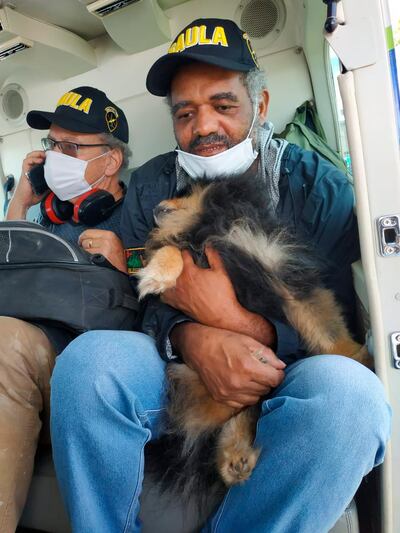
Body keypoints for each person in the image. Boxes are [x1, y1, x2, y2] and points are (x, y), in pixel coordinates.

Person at [50, 19, 391, 533]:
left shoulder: (315, 187)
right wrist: (189, 336)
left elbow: (337, 316)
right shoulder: (152, 186)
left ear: (261, 105)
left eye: (223, 105)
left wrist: (242, 325)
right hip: (169, 358)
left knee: (353, 402)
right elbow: (124, 291)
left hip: (291, 365)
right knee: (88, 366)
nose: (204, 127)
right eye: (186, 113)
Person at [0, 86, 131, 532]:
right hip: (29, 347)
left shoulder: (135, 215)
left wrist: (122, 265)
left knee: (5, 343)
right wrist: (22, 199)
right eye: (51, 145)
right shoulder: (44, 216)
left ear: (110, 161)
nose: (56, 156)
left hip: (84, 365)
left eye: (70, 147)